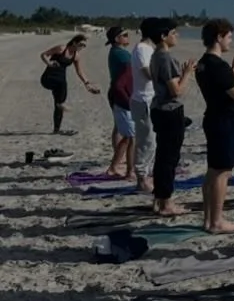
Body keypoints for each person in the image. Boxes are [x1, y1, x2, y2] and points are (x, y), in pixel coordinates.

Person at [195, 19, 234, 234]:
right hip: (224, 119)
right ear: (219, 37)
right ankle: (216, 220)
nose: (231, 41)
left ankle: (209, 219)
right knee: (223, 172)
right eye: (229, 37)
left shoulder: (203, 62)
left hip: (214, 117)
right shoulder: (217, 65)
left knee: (213, 171)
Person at [148, 20, 195, 217]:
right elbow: (175, 91)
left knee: (163, 157)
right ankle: (165, 202)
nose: (177, 36)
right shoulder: (164, 57)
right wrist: (187, 74)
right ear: (163, 36)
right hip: (168, 111)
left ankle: (160, 198)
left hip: (161, 109)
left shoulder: (156, 55)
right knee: (168, 158)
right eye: (174, 33)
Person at [39, 34, 100, 133]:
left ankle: (56, 129)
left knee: (60, 101)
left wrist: (87, 84)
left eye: (84, 46)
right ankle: (60, 103)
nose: (82, 47)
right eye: (81, 44)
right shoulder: (61, 49)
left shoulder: (76, 56)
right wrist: (49, 63)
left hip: (61, 81)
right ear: (74, 42)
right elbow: (43, 54)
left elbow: (80, 72)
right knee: (61, 95)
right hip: (48, 78)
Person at [130, 17, 159, 193]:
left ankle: (147, 175)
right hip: (143, 100)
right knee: (147, 141)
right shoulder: (142, 49)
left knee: (152, 141)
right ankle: (141, 178)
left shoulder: (148, 49)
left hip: (149, 99)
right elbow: (148, 73)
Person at [104, 27, 135, 178]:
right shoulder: (121, 54)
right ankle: (122, 167)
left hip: (119, 93)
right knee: (131, 136)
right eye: (124, 35)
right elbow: (132, 70)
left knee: (122, 129)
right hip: (121, 95)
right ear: (117, 39)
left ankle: (118, 162)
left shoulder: (117, 52)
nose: (128, 37)